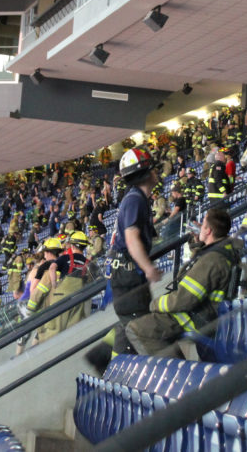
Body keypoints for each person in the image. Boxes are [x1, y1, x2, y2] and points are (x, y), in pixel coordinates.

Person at [85, 148, 161, 374]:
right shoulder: (135, 200)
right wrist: (148, 268)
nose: (157, 171)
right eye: (152, 167)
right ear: (145, 173)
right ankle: (115, 372)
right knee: (137, 323)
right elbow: (131, 237)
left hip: (125, 274)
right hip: (128, 275)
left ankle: (101, 357)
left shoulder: (136, 199)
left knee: (131, 319)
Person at [125, 208, 241, 357]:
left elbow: (183, 299)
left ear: (208, 230)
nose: (199, 227)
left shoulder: (212, 260)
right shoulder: (222, 251)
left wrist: (155, 304)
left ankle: (175, 374)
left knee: (136, 329)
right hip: (204, 313)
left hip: (196, 318)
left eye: (203, 225)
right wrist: (197, 248)